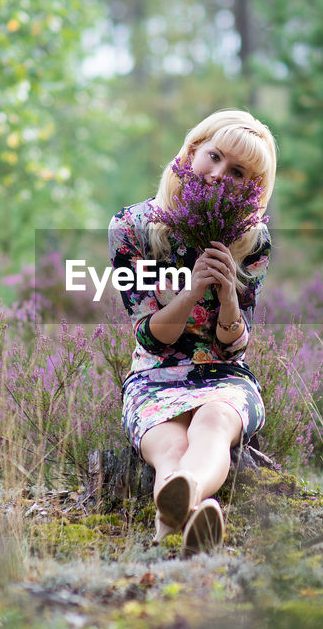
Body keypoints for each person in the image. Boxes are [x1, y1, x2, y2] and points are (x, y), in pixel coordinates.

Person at [107, 109, 276, 555]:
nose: (220, 175)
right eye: (214, 157)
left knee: (215, 423)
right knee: (169, 444)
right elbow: (148, 335)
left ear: (252, 188)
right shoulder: (130, 229)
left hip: (223, 376)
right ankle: (189, 519)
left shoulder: (251, 241)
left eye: (238, 172)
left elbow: (235, 343)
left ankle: (178, 511)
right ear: (191, 151)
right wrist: (192, 290)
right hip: (152, 376)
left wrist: (226, 296)